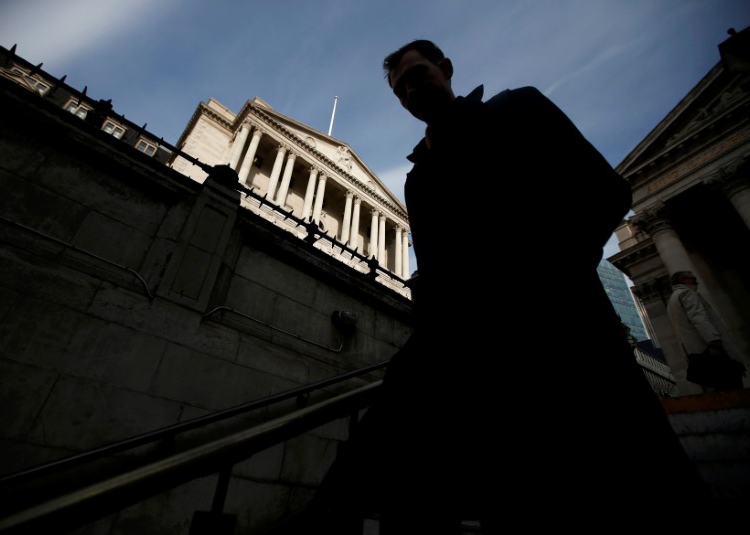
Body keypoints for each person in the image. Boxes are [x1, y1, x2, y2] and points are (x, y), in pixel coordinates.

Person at [274, 39, 715, 533]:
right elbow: (439, 273)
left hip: (568, 332)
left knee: (639, 490)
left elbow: (607, 191)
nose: (411, 90)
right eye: (400, 88)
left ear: (446, 69)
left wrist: (553, 267)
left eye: (418, 75)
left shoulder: (518, 108)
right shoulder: (419, 181)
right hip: (485, 361)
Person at [666, 270, 747, 391]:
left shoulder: (672, 299)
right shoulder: (687, 293)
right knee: (731, 382)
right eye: (692, 278)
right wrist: (713, 339)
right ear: (683, 280)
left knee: (720, 387)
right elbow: (699, 317)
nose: (696, 281)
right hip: (708, 347)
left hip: (695, 351)